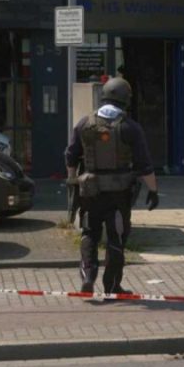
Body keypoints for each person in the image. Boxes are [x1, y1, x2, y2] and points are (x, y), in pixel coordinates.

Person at [65, 76, 160, 296]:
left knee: (89, 234)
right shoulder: (130, 127)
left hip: (89, 192)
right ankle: (112, 285)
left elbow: (71, 154)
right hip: (119, 195)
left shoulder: (84, 124)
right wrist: (153, 191)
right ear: (126, 99)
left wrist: (73, 181)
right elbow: (145, 165)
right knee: (116, 238)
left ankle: (88, 276)